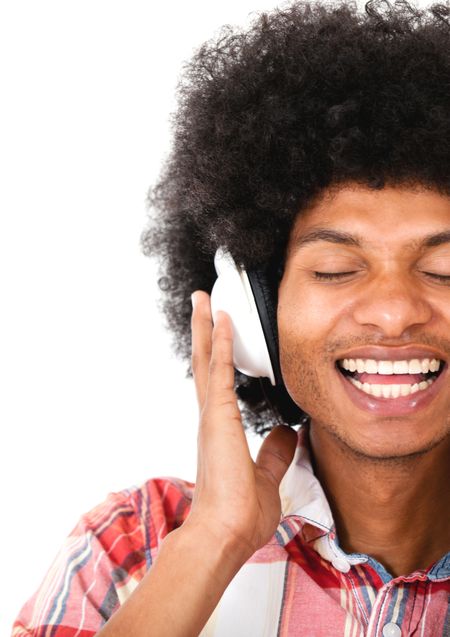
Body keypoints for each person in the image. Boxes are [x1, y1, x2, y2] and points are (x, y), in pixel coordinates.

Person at [12, 1, 450, 635]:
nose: (392, 313)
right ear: (253, 311)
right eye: (333, 269)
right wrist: (211, 542)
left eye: (443, 271)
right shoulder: (138, 543)